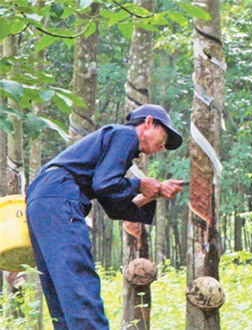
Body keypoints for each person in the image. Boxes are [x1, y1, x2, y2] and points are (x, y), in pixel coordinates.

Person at [25, 104, 184, 329]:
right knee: (79, 287)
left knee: (63, 294)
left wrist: (153, 191)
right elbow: (105, 184)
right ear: (148, 122)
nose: (163, 146)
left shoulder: (114, 146)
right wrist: (139, 183)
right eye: (164, 136)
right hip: (59, 196)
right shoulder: (125, 134)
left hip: (41, 200)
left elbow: (114, 206)